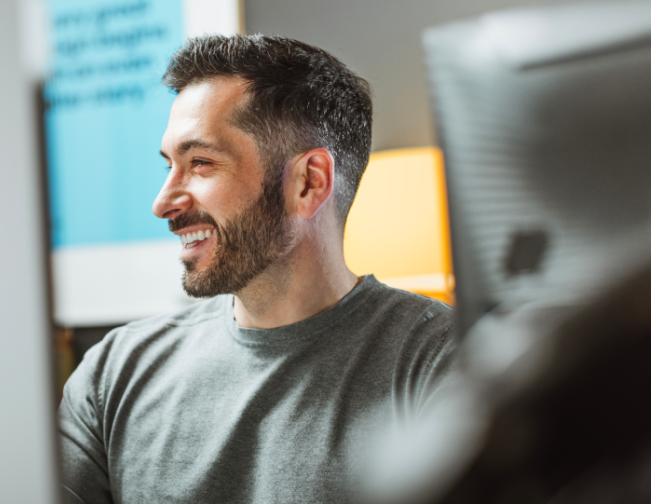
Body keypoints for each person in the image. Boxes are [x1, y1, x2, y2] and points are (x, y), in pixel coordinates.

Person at [59, 35, 456, 504]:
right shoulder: (115, 373)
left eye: (200, 163)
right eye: (169, 165)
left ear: (308, 183)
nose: (162, 202)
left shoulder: (443, 364)